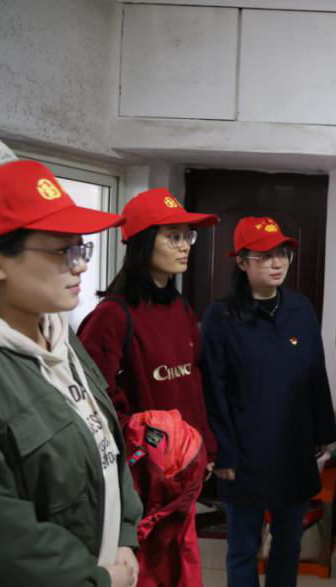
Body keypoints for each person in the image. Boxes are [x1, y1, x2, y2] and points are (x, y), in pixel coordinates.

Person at [0, 159, 143, 586]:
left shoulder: (62, 335)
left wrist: (124, 534)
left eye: (83, 250)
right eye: (64, 252)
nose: (80, 266)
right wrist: (96, 578)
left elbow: (105, 440)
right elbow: (9, 535)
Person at [77, 187, 219, 585]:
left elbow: (193, 381)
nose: (185, 246)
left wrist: (204, 448)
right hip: (140, 478)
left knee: (180, 565)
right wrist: (148, 445)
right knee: (144, 571)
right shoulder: (112, 315)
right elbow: (93, 400)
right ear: (142, 243)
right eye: (173, 236)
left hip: (184, 471)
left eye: (187, 236)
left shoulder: (181, 307)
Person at [200, 216, 336, 587]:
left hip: (294, 449)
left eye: (282, 254)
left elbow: (316, 374)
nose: (277, 263)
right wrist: (222, 452)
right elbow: (212, 389)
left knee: (288, 545)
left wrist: (324, 436)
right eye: (264, 256)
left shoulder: (300, 309)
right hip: (244, 453)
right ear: (241, 262)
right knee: (243, 547)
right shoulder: (221, 316)